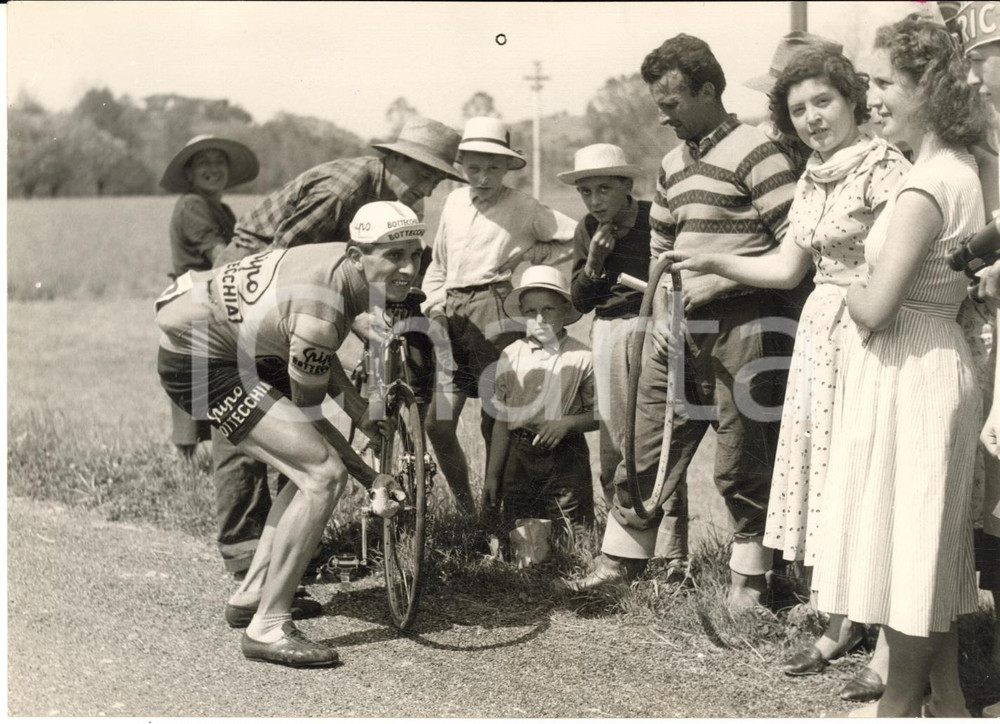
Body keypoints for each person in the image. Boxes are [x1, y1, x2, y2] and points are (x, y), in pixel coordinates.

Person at [664, 48, 910, 682]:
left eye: (823, 102)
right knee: (829, 472)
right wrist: (715, 263)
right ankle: (840, 621)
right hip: (822, 334)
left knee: (871, 475)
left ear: (854, 100)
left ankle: (890, 642)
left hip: (877, 327)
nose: (811, 118)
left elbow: (896, 268)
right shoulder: (812, 176)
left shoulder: (888, 169)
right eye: (798, 109)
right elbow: (784, 268)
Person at [563, 34, 798, 608]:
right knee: (645, 441)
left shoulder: (759, 151)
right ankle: (621, 560)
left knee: (742, 452)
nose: (662, 116)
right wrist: (664, 309)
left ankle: (750, 580)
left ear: (708, 91)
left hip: (744, 323)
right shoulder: (672, 163)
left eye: (671, 103)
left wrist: (725, 279)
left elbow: (796, 246)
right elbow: (662, 247)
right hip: (674, 323)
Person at [809, 15, 991, 716]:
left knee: (910, 554)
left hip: (911, 369)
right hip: (927, 366)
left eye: (885, 82)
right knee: (928, 548)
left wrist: (851, 280)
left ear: (930, 88)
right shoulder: (960, 171)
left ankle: (898, 707)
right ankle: (946, 702)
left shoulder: (923, 188)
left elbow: (876, 306)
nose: (872, 95)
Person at [155, 200, 426, 667]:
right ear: (357, 256)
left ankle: (252, 594)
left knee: (307, 467)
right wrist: (369, 476)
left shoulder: (333, 266)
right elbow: (309, 402)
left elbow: (310, 350)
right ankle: (268, 625)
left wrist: (358, 408)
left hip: (240, 345)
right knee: (322, 473)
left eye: (414, 254)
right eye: (393, 256)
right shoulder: (322, 309)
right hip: (200, 362)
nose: (407, 268)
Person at [207, 116, 463, 581]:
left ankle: (291, 546)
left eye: (436, 181)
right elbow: (283, 262)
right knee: (257, 423)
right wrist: (357, 320)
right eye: (423, 175)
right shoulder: (344, 190)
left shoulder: (389, 204)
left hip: (304, 292)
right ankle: (247, 557)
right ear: (395, 160)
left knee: (303, 422)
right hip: (253, 288)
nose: (426, 190)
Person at [421, 117, 577, 515]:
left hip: (495, 309)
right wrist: (434, 307)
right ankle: (466, 509)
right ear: (461, 166)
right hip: (450, 314)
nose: (483, 176)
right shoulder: (454, 202)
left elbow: (576, 235)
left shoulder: (523, 207)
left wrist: (537, 256)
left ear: (508, 167)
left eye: (493, 167)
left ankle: (500, 512)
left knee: (498, 421)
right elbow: (439, 264)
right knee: (438, 422)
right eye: (473, 166)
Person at [159, 134, 259, 464]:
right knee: (199, 372)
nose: (212, 169)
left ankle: (211, 453)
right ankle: (186, 459)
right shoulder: (192, 205)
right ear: (189, 173)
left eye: (219, 163)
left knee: (213, 372)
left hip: (213, 292)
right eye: (204, 163)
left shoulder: (223, 209)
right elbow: (222, 257)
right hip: (195, 292)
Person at [483, 265, 597, 542]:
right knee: (521, 529)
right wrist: (492, 475)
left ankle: (572, 563)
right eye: (531, 312)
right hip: (519, 453)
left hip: (565, 452)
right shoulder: (510, 355)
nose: (540, 319)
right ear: (522, 314)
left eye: (548, 310)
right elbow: (501, 421)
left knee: (572, 530)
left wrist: (568, 423)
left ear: (565, 311)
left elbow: (603, 414)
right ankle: (528, 572)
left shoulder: (581, 356)